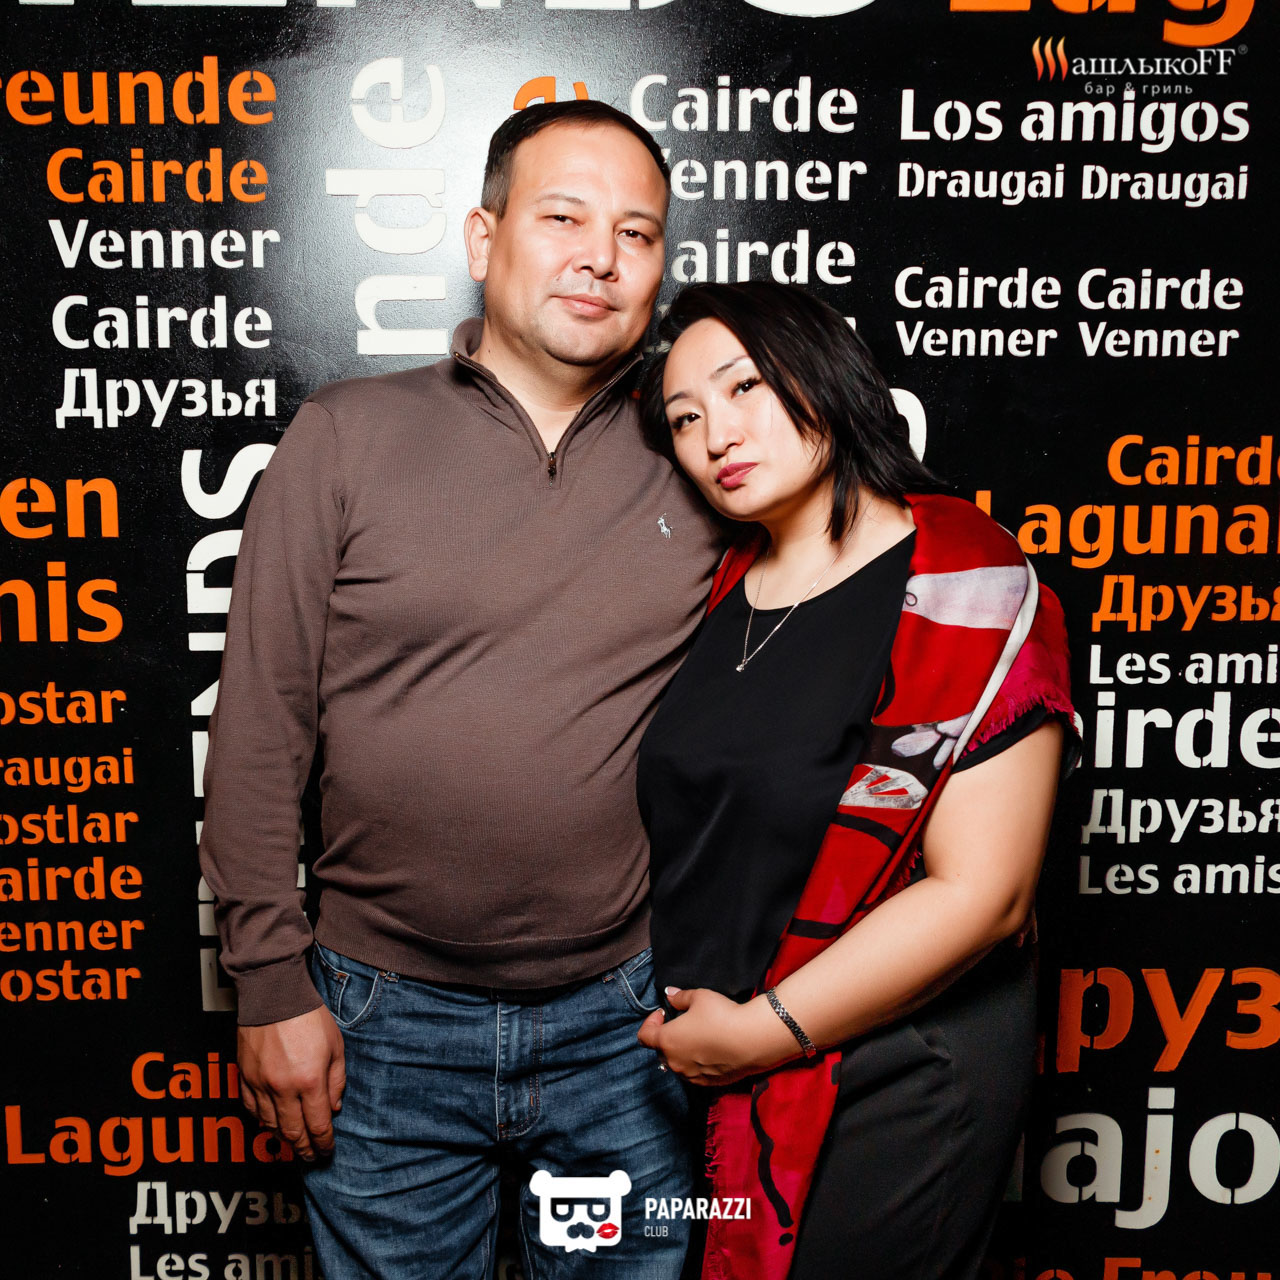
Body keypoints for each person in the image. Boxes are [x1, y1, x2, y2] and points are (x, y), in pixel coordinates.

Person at [199, 100, 724, 1279]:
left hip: (627, 1025)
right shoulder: (345, 437)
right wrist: (268, 982)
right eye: (563, 218)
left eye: (636, 233)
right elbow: (260, 725)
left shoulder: (702, 449)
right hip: (380, 1022)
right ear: (484, 240)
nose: (600, 256)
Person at [634, 281, 1077, 1280]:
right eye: (685, 418)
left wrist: (761, 1035)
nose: (716, 435)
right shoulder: (723, 585)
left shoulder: (965, 583)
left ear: (823, 376)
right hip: (716, 1062)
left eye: (743, 386)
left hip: (894, 1066)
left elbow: (986, 894)